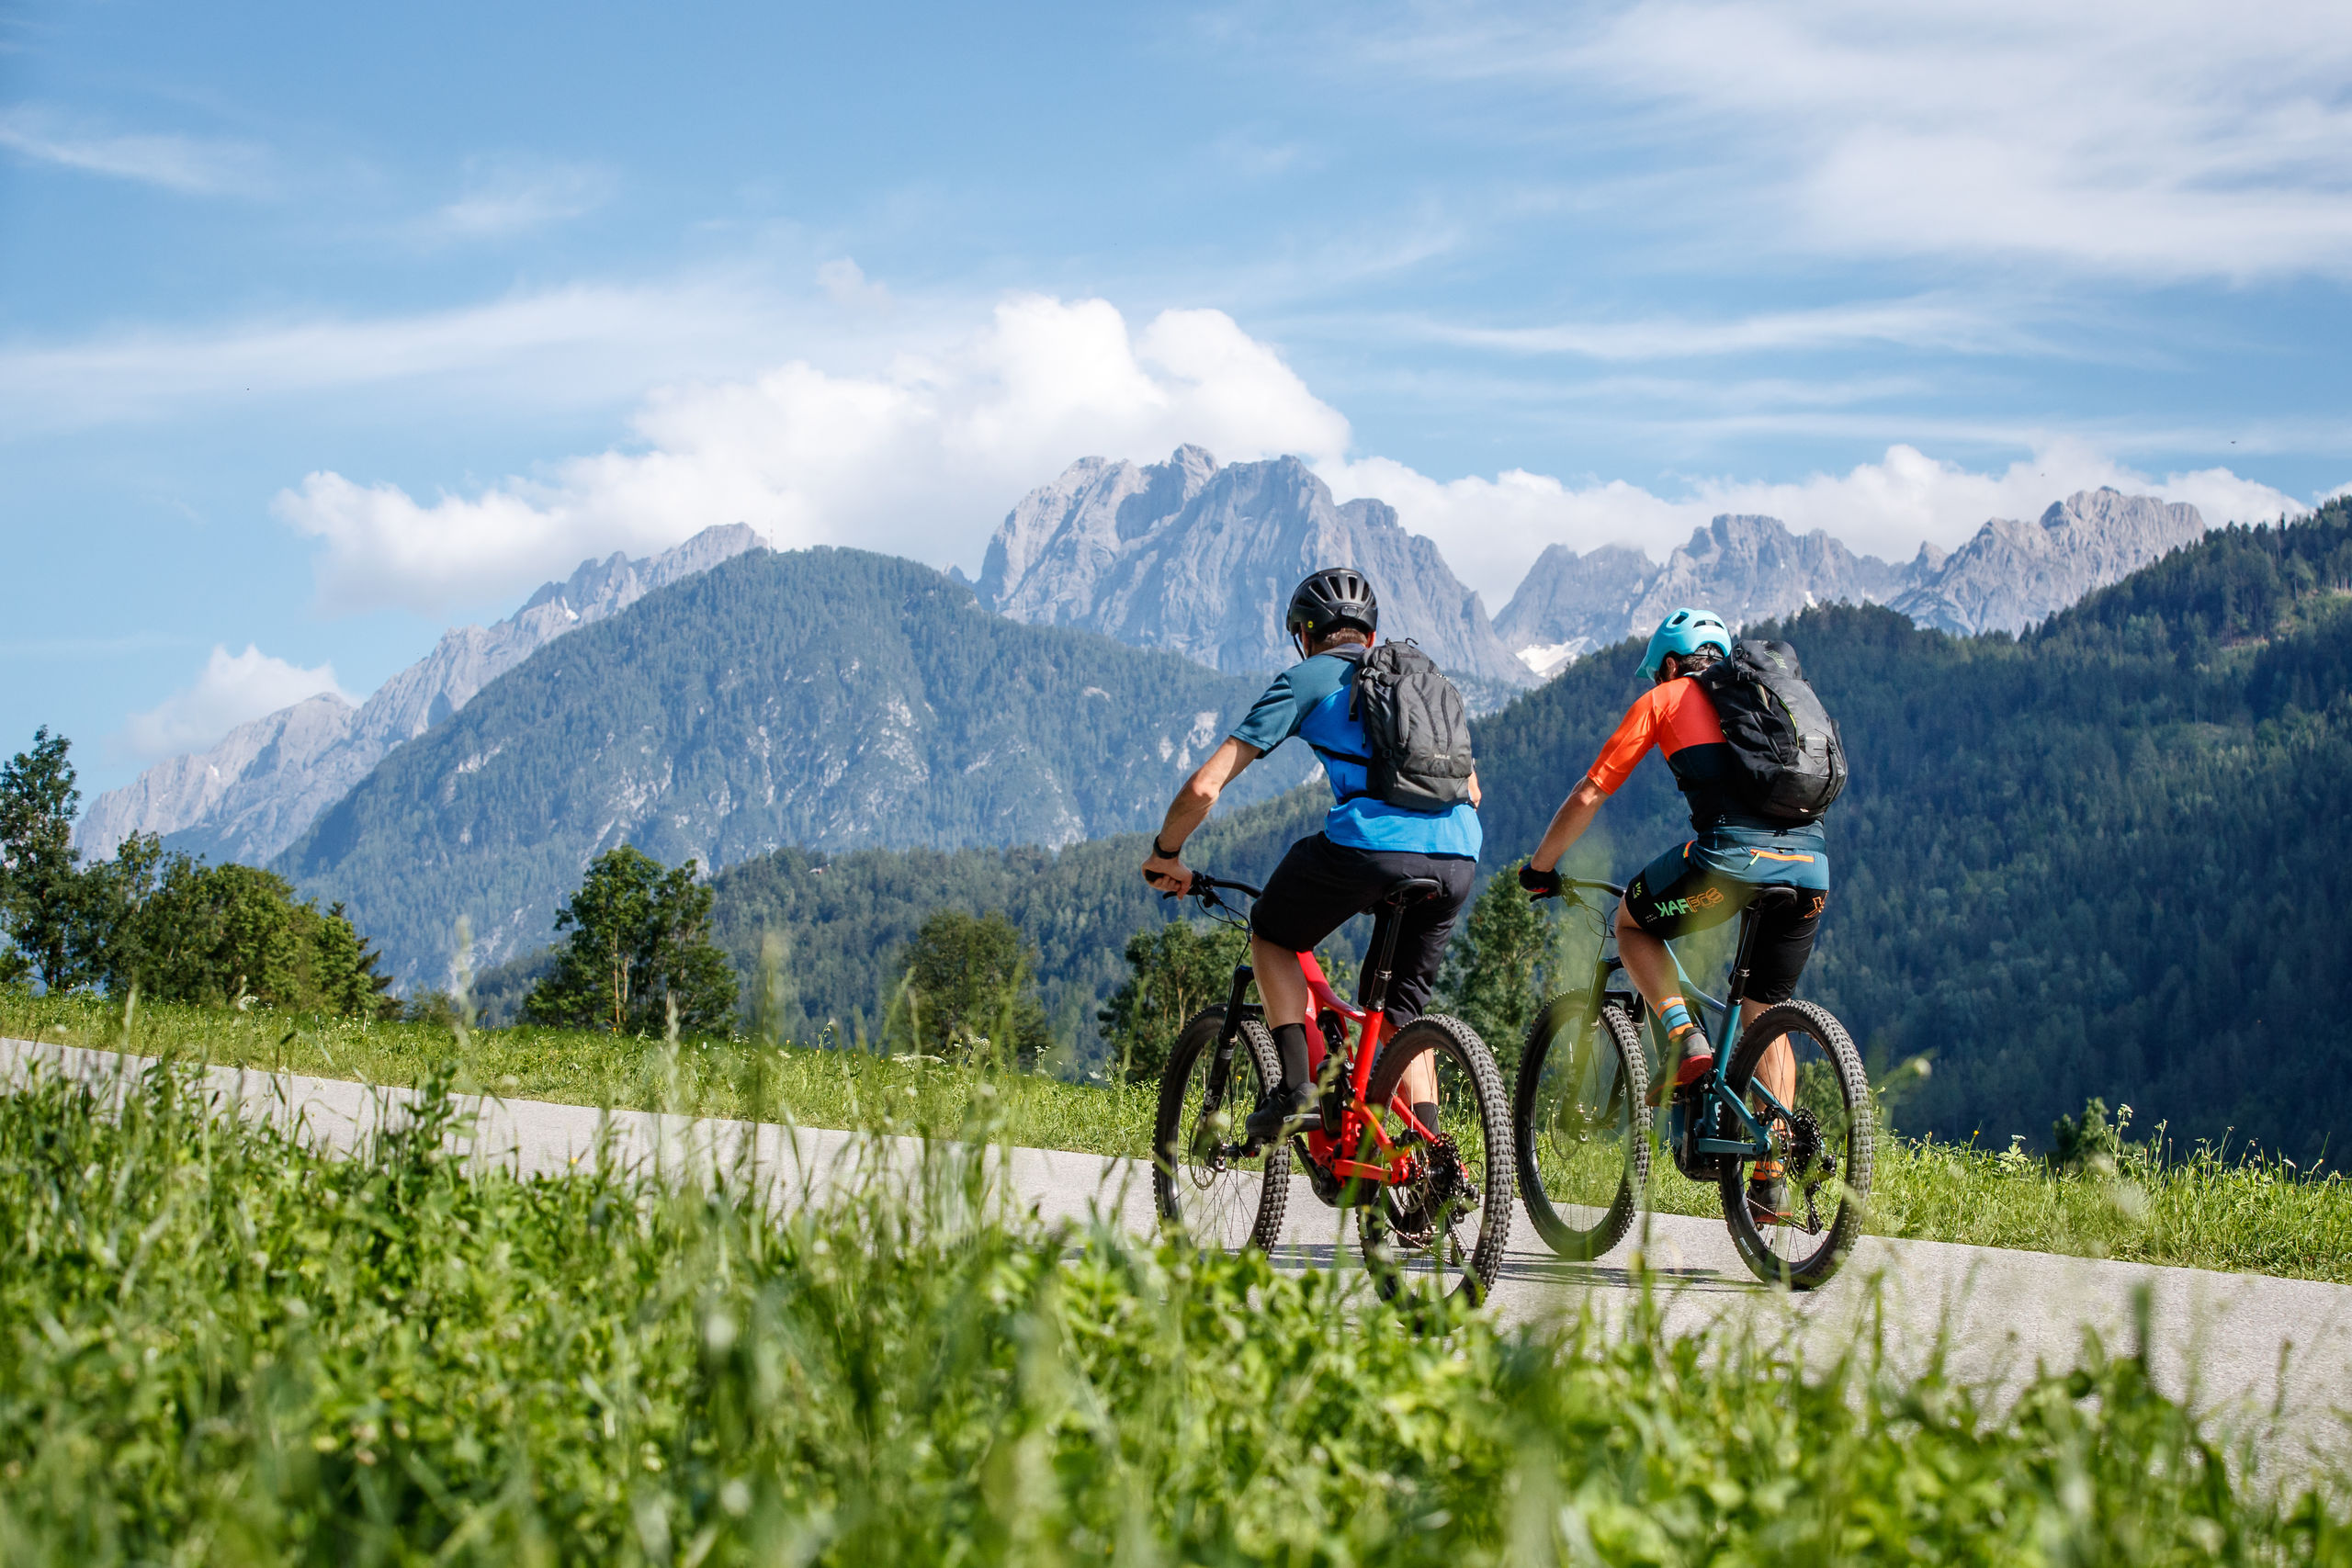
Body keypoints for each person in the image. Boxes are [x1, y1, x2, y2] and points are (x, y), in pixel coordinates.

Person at [1140, 567, 1483, 1148]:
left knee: (1273, 930)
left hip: (1371, 850)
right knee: (1396, 1014)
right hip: (1458, 857)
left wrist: (1165, 853)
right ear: (1369, 635)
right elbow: (1472, 792)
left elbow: (1205, 787)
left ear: (1305, 633)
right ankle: (1429, 1155)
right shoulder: (1425, 679)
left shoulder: (1309, 677)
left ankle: (1295, 1088)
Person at [1518, 607, 1830, 1223]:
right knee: (1765, 1011)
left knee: (1633, 924)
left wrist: (1540, 866)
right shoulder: (1766, 697)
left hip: (1732, 864)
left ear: (1667, 662)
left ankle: (1686, 1038)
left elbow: (1591, 792)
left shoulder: (1667, 698)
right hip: (1811, 869)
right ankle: (1769, 1182)